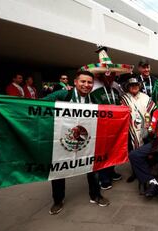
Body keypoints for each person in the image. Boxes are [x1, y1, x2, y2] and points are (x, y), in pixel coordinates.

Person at [43, 70, 109, 214]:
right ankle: (58, 200)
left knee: (93, 166)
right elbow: (39, 104)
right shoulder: (63, 94)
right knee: (60, 168)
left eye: (89, 82)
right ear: (75, 82)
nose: (86, 85)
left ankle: (96, 195)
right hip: (63, 138)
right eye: (83, 81)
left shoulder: (93, 99)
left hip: (87, 139)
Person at [83, 46, 133, 190]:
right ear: (99, 75)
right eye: (106, 74)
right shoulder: (92, 87)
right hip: (100, 126)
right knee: (103, 152)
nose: (110, 77)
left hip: (115, 126)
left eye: (112, 74)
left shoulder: (116, 86)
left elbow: (122, 101)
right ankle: (104, 178)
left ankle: (111, 172)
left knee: (114, 150)